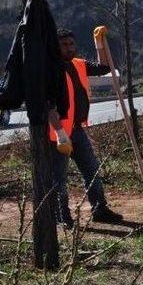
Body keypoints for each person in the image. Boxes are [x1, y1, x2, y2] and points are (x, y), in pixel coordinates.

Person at [48, 28, 123, 229]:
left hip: (78, 130)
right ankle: (62, 216)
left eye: (71, 44)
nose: (69, 48)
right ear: (55, 46)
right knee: (59, 179)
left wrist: (99, 43)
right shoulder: (50, 70)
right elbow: (47, 105)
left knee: (91, 170)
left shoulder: (79, 64)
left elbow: (105, 67)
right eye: (64, 44)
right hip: (58, 134)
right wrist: (60, 133)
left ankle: (100, 210)